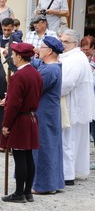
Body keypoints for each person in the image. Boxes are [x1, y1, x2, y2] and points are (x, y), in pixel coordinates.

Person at [0, 42, 43, 204]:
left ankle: (19, 193)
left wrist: (6, 124)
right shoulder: (35, 73)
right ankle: (27, 192)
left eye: (13, 55)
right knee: (28, 156)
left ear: (19, 56)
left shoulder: (19, 76)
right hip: (31, 117)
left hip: (20, 120)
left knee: (20, 157)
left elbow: (14, 105)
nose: (11, 57)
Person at [59, 29, 95, 186]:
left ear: (74, 43)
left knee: (69, 140)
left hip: (72, 104)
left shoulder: (75, 58)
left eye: (65, 42)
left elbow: (66, 84)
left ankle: (68, 174)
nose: (62, 44)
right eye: (61, 40)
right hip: (75, 103)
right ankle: (71, 170)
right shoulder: (72, 56)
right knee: (74, 139)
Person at [30, 36, 65, 194]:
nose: (39, 49)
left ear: (50, 51)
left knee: (43, 146)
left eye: (42, 47)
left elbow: (35, 88)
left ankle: (44, 185)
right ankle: (51, 183)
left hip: (45, 113)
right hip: (47, 111)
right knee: (49, 145)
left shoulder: (51, 70)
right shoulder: (49, 65)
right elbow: (36, 63)